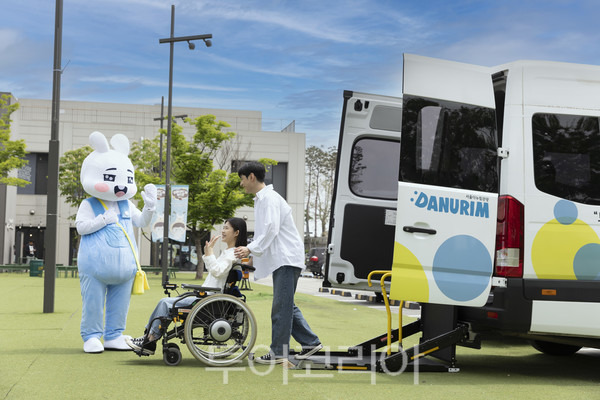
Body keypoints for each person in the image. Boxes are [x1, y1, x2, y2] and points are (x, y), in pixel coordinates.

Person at [234, 161, 322, 364]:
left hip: (286, 257)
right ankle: (311, 343)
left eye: (242, 179)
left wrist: (250, 248)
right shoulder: (263, 199)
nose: (241, 184)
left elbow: (271, 229)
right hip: (284, 257)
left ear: (252, 177)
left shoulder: (269, 199)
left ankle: (279, 352)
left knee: (282, 306)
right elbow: (269, 231)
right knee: (286, 305)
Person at [126, 217, 248, 355]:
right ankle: (148, 338)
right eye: (224, 227)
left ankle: (150, 340)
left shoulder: (233, 253)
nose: (223, 230)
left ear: (236, 232)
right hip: (209, 297)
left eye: (227, 228)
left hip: (210, 300)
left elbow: (217, 271)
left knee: (165, 303)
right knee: (167, 302)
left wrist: (210, 252)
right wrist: (209, 252)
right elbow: (215, 270)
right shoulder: (229, 252)